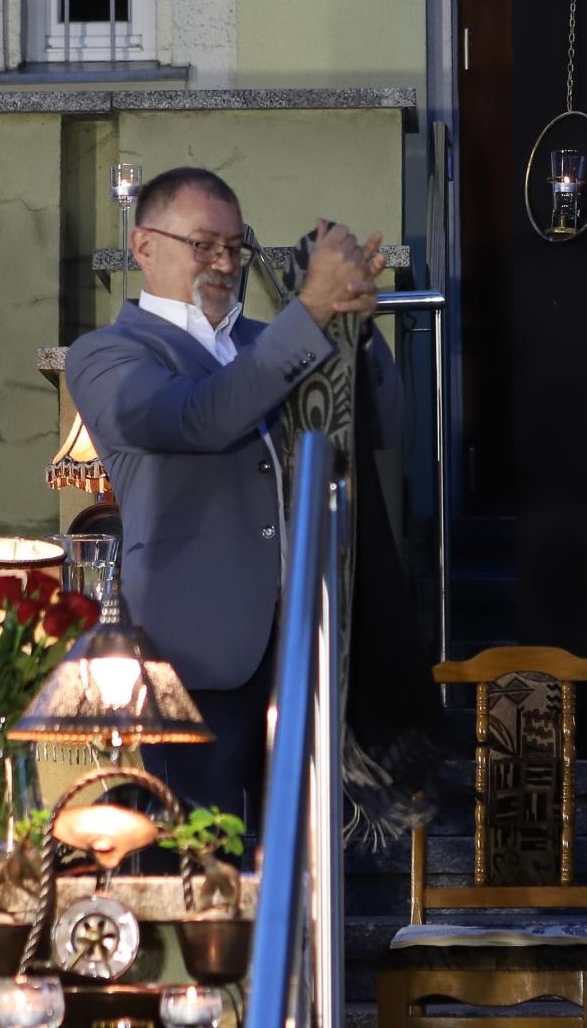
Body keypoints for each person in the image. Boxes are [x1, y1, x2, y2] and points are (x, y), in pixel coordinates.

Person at [65, 166, 402, 825]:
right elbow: (201, 418)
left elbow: (385, 426)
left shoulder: (268, 340)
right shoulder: (108, 353)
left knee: (300, 855)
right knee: (198, 857)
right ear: (143, 248)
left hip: (304, 643)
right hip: (192, 657)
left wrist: (356, 332)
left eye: (233, 247)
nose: (222, 263)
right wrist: (308, 314)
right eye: (202, 245)